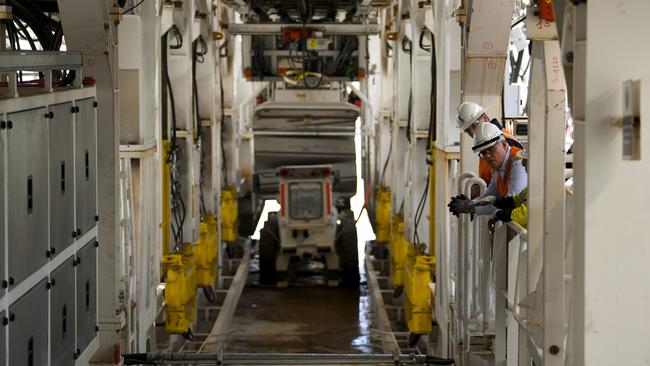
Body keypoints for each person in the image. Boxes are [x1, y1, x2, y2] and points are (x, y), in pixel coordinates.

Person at [448, 123, 527, 216]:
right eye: (483, 153)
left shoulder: (518, 163)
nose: (488, 156)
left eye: (491, 149)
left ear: (504, 144)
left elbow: (510, 203)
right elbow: (489, 197)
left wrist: (471, 208)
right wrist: (472, 203)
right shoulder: (497, 168)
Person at [456, 101, 524, 184]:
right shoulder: (485, 144)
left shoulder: (507, 141)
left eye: (474, 125)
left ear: (485, 117)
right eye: (468, 131)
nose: (473, 133)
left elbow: (515, 181)